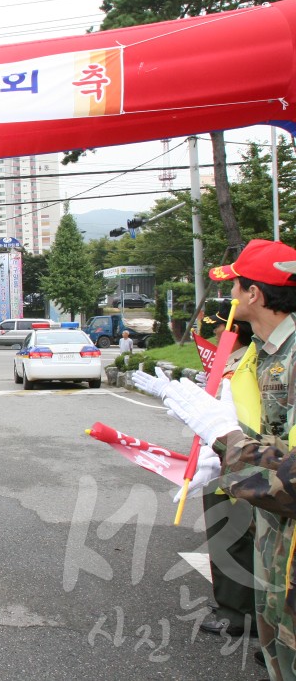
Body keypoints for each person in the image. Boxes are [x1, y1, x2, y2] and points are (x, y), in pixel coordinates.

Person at [133, 240, 296, 679]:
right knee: (277, 641)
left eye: (236, 286)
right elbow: (267, 430)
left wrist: (227, 442)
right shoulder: (265, 353)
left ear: (255, 295)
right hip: (274, 526)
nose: (229, 297)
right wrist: (221, 454)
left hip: (286, 514)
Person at [194, 304, 257, 638]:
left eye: (221, 328)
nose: (217, 333)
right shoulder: (231, 363)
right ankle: (236, 608)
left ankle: (238, 613)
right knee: (228, 535)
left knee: (233, 536)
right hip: (224, 459)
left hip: (240, 462)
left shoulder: (249, 363)